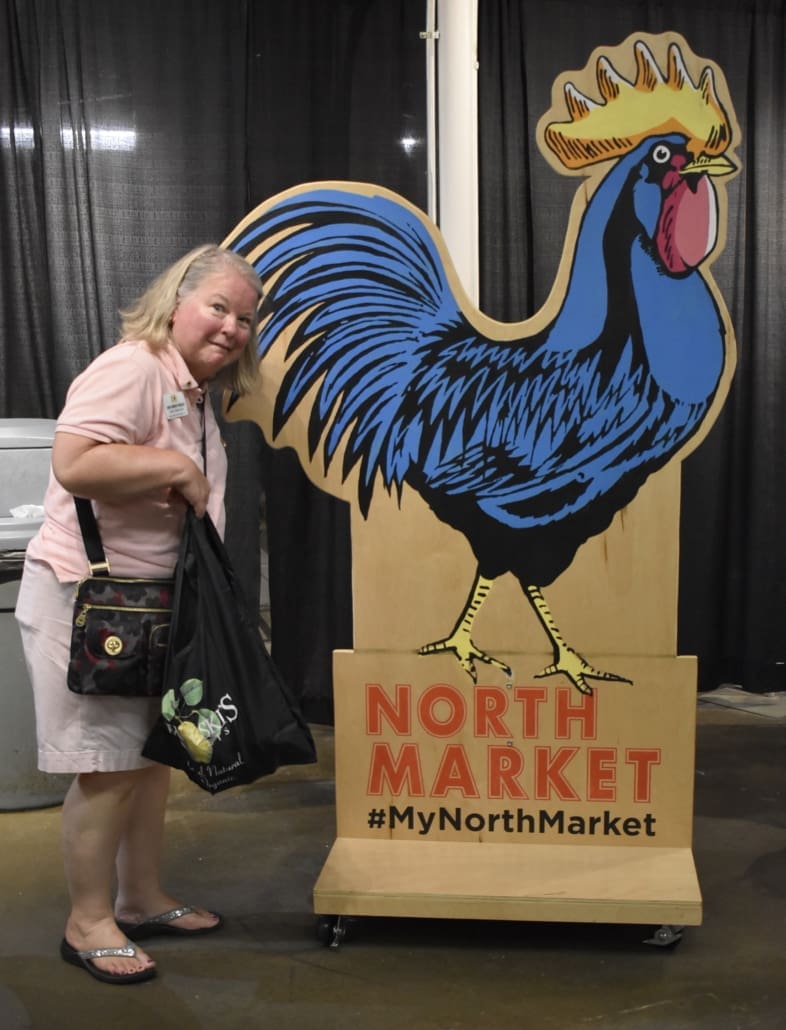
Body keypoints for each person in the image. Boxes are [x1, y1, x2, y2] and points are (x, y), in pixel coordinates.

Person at [15, 244, 264, 985]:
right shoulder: (134, 368)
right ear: (177, 302)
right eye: (218, 307)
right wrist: (175, 467)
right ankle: (87, 923)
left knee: (150, 761)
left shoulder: (188, 387)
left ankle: (141, 896)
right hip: (93, 606)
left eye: (245, 318)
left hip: (150, 605)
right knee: (106, 769)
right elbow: (75, 462)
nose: (231, 327)